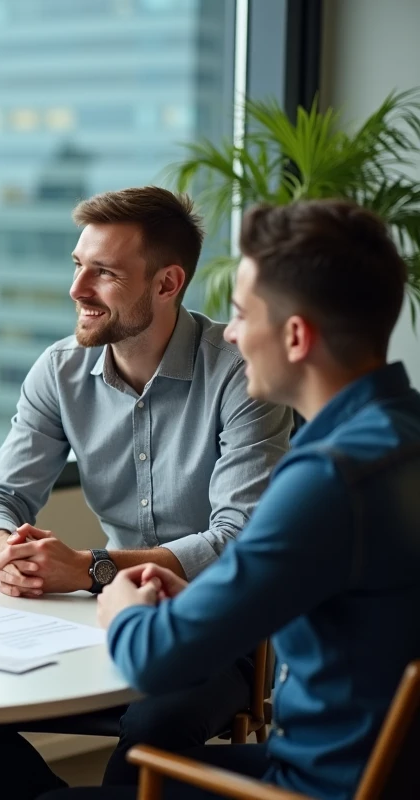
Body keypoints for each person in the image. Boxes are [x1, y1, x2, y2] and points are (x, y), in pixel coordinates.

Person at [43, 199, 420, 799]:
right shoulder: (400, 433)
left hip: (310, 785)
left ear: (296, 336)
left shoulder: (328, 480)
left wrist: (120, 602)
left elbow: (155, 659)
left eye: (244, 314)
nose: (233, 333)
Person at [0, 187, 294, 799]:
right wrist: (4, 553)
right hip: (101, 618)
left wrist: (87, 567)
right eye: (79, 265)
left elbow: (238, 541)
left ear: (166, 283)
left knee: (153, 729)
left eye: (103, 272)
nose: (77, 289)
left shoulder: (240, 374)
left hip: (218, 625)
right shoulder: (59, 370)